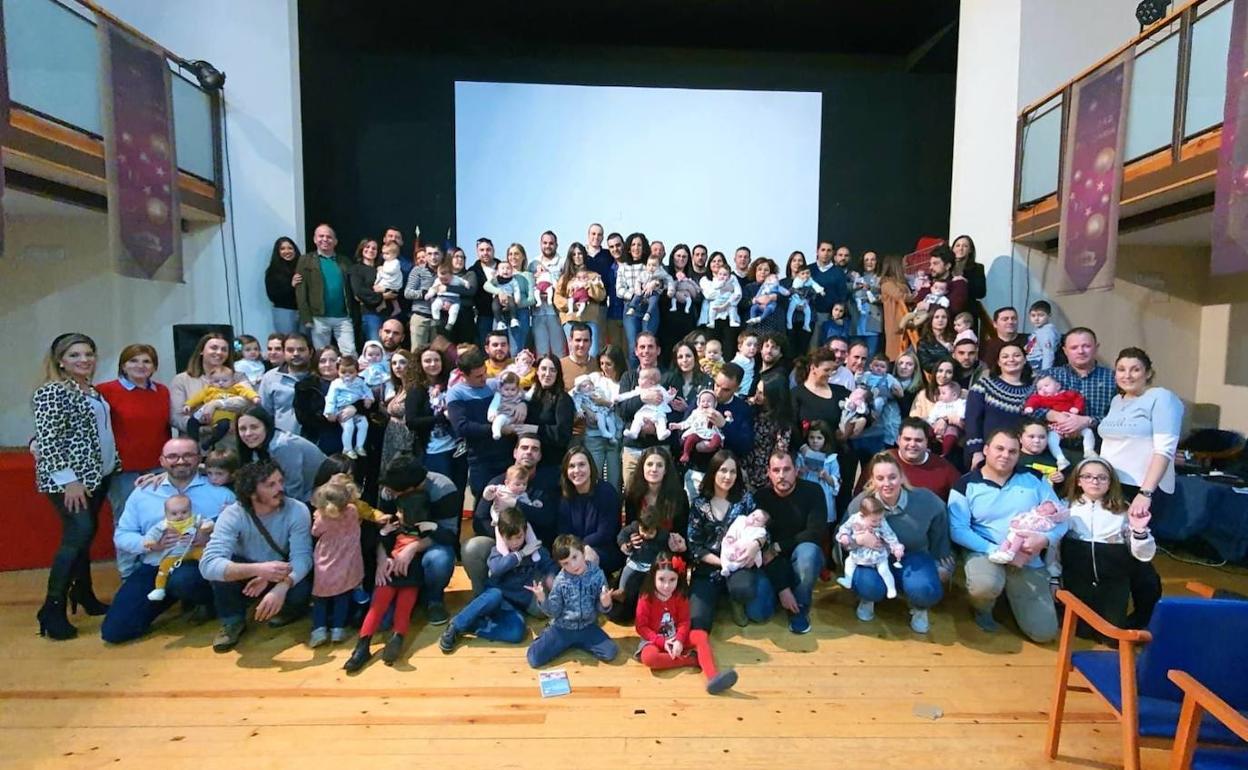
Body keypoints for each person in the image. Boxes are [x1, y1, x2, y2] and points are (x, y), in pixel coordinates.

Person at [101, 438, 236, 643]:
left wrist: (210, 537)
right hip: (155, 565)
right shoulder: (143, 492)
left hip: (197, 563)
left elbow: (242, 534)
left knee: (183, 580)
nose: (180, 461)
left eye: (188, 455)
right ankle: (170, 598)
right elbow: (122, 535)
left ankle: (208, 602)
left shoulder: (220, 492)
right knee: (115, 631)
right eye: (173, 456)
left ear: (199, 458)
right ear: (162, 461)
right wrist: (150, 544)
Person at [32, 333, 120, 640]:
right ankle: (52, 607)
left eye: (88, 354)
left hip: (96, 476)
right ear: (60, 361)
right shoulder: (52, 391)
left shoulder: (90, 390)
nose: (84, 360)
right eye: (74, 355)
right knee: (78, 534)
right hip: (70, 481)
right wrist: (69, 481)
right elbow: (48, 439)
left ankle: (84, 593)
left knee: (85, 536)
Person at [949, 428, 1065, 642]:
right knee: (984, 586)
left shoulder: (1034, 478)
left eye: (1012, 451)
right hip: (986, 552)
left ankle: (1011, 598)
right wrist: (997, 551)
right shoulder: (965, 484)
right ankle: (983, 607)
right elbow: (958, 530)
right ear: (986, 450)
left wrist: (1044, 539)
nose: (1005, 455)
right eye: (999, 449)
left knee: (1044, 633)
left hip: (1027, 556)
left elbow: (1060, 517)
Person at [200, 460, 314, 652]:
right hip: (249, 567)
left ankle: (288, 609)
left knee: (301, 589)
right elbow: (208, 564)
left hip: (281, 569)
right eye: (271, 485)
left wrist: (282, 586)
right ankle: (232, 620)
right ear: (252, 493)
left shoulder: (297, 509)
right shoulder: (232, 514)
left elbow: (303, 557)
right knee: (222, 572)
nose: (280, 488)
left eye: (280, 481)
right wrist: (258, 570)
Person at [844, 452, 951, 632]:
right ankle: (867, 599)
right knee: (868, 586)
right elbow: (842, 537)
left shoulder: (925, 499)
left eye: (892, 477)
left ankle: (919, 607)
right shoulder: (861, 503)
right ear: (872, 481)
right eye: (880, 478)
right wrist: (858, 540)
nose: (887, 483)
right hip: (871, 558)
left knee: (925, 589)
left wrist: (941, 558)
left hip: (912, 555)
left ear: (901, 477)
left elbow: (940, 527)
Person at [1059, 458, 1159, 637]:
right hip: (1079, 574)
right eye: (1088, 476)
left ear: (1110, 482)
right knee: (1081, 631)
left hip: (1112, 577)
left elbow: (1143, 554)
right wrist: (1053, 577)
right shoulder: (1064, 506)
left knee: (1112, 637)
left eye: (1102, 478)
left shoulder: (1124, 510)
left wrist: (1139, 530)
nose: (1095, 481)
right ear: (1078, 481)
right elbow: (1055, 546)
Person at [439, 507, 557, 652]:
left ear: (525, 532)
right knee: (494, 594)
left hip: (518, 603)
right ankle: (456, 625)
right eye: (509, 539)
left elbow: (550, 565)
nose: (515, 543)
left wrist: (551, 577)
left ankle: (473, 625)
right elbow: (496, 569)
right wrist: (519, 555)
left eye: (519, 537)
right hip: (497, 597)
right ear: (501, 536)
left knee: (517, 632)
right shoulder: (498, 551)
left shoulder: (534, 549)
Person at [686, 451, 773, 629]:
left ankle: (735, 598)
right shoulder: (699, 505)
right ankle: (720, 594)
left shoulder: (745, 500)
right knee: (697, 621)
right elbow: (694, 546)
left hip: (739, 565)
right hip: (709, 567)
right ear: (713, 472)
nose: (728, 476)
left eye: (733, 472)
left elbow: (765, 533)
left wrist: (756, 544)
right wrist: (724, 562)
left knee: (749, 599)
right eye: (723, 470)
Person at [1098, 347, 1184, 525]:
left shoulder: (1161, 397)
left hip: (1141, 487)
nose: (1127, 375)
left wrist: (1145, 493)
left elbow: (1165, 450)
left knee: (1138, 538)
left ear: (1148, 373)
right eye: (1121, 369)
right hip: (1111, 484)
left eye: (1135, 369)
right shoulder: (1116, 401)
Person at [462, 436, 555, 595]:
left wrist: (516, 505)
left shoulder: (547, 483)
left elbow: (549, 519)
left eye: (534, 449)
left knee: (539, 604)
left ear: (540, 456)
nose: (529, 452)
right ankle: (483, 595)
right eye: (524, 448)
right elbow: (479, 520)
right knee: (472, 547)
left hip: (532, 548)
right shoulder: (498, 483)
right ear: (515, 453)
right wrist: (508, 538)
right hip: (501, 544)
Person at [635, 553, 738, 694]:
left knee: (700, 635)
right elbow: (641, 627)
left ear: (679, 579)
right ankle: (692, 660)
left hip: (677, 635)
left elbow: (684, 621)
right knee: (648, 658)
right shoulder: (646, 598)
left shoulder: (680, 595)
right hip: (654, 640)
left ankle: (713, 677)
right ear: (653, 577)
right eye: (661, 579)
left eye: (672, 580)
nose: (666, 585)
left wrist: (679, 639)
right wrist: (662, 642)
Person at [753, 449, 826, 634]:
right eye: (776, 470)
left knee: (808, 554)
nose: (781, 475)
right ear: (768, 473)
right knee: (758, 613)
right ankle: (785, 593)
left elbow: (816, 532)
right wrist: (782, 588)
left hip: (801, 554)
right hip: (772, 563)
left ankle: (800, 607)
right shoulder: (760, 497)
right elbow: (763, 550)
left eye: (786, 469)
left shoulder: (814, 491)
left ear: (796, 470)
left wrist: (779, 546)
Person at [97, 344, 172, 523]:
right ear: (123, 366)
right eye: (133, 361)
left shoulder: (162, 391)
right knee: (127, 519)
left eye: (147, 361)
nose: (140, 365)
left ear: (154, 367)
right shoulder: (105, 390)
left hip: (158, 467)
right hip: (123, 470)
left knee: (160, 518)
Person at [525, 534, 617, 668]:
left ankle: (577, 642)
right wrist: (542, 599)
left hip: (587, 626)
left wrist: (605, 603)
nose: (573, 565)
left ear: (583, 552)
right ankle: (550, 636)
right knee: (534, 658)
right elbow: (554, 611)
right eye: (565, 563)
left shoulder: (597, 575)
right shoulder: (560, 581)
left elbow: (601, 606)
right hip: (563, 628)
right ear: (560, 564)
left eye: (575, 557)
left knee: (610, 652)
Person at [447, 347, 523, 500]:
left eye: (484, 372)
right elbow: (462, 427)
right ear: (463, 375)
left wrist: (521, 405)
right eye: (478, 376)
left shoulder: (494, 385)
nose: (484, 378)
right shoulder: (456, 393)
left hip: (507, 455)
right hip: (481, 460)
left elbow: (517, 395)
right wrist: (497, 430)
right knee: (483, 502)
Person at [1036, 327, 1117, 464]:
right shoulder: (1048, 375)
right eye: (1074, 347)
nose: (1080, 351)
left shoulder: (1113, 378)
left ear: (1096, 348)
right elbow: (1026, 407)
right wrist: (1054, 416)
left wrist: (1089, 420)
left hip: (1098, 453)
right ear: (1065, 351)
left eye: (1086, 346)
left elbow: (1120, 417)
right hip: (1052, 452)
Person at [235, 406, 327, 504]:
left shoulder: (282, 446)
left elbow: (293, 490)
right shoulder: (256, 447)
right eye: (242, 429)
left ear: (266, 426)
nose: (248, 433)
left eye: (254, 427)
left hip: (320, 494)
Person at [965, 341, 1035, 470]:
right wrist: (976, 452)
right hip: (987, 454)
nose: (1011, 359)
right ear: (998, 362)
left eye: (1016, 355)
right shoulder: (984, 385)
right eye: (1005, 356)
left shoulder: (1034, 390)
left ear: (1025, 360)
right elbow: (972, 420)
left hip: (1022, 457)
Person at [556, 447, 623, 576]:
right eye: (571, 466)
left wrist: (580, 548)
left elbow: (605, 533)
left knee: (587, 558)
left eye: (581, 464)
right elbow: (563, 531)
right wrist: (574, 550)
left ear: (591, 467)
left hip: (604, 550)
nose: (577, 470)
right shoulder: (566, 496)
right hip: (573, 550)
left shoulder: (606, 492)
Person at [296, 223, 357, 356]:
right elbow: (300, 290)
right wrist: (306, 317)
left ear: (335, 241)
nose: (325, 239)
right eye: (321, 236)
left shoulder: (345, 261)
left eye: (329, 237)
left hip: (343, 317)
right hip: (318, 317)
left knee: (350, 353)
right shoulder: (305, 260)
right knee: (322, 355)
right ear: (314, 239)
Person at [169, 332, 246, 436]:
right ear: (201, 351)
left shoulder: (238, 377)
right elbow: (176, 417)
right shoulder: (181, 380)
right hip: (195, 441)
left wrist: (217, 404)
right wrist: (205, 429)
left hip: (229, 440)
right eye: (214, 348)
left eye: (224, 349)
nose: (219, 352)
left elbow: (247, 401)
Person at [143, 494, 213, 602]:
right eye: (174, 514)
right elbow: (152, 534)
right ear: (166, 514)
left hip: (194, 549)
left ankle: (213, 579)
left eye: (184, 512)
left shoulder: (195, 519)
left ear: (190, 510)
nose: (180, 516)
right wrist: (151, 542)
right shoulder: (164, 525)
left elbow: (208, 522)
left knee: (207, 558)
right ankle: (159, 589)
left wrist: (207, 527)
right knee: (163, 568)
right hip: (174, 554)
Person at [1024, 374, 1096, 470]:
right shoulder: (1041, 398)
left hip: (1075, 422)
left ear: (1058, 386)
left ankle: (1089, 450)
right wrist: (1029, 407)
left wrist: (1076, 408)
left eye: (1046, 386)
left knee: (1088, 432)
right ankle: (1061, 459)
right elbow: (1032, 400)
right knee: (1051, 439)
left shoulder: (1066, 394)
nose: (1043, 389)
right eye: (1040, 389)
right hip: (1056, 426)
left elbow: (1078, 398)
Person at [526, 354, 575, 492]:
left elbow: (563, 435)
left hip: (552, 464)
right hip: (528, 463)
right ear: (537, 371)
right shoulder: (530, 396)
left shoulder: (563, 399)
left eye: (552, 370)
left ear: (558, 374)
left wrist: (535, 429)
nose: (547, 374)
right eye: (543, 369)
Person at [883, 419, 962, 501]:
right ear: (898, 440)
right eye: (907, 439)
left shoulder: (944, 468)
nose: (912, 444)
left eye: (918, 440)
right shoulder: (883, 461)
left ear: (926, 442)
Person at [182, 365, 260, 449]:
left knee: (224, 426)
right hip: (205, 413)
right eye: (216, 381)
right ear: (211, 382)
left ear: (232, 381)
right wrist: (188, 405)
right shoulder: (209, 389)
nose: (220, 383)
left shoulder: (235, 388)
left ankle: (209, 442)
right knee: (192, 422)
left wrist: (254, 397)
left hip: (224, 416)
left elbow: (247, 392)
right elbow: (197, 397)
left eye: (225, 380)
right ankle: (194, 443)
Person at [293, 346, 346, 454]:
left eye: (332, 360)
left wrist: (355, 408)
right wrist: (327, 416)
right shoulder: (305, 387)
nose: (328, 364)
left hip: (350, 440)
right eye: (322, 361)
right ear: (316, 363)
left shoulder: (354, 382)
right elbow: (302, 417)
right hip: (320, 440)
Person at [258, 333, 311, 435]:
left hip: (317, 441)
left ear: (310, 352)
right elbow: (264, 414)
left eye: (301, 350)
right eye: (290, 350)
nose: (296, 353)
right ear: (284, 352)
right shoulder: (270, 378)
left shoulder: (319, 376)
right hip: (283, 440)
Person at [529, 230, 567, 357]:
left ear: (556, 245)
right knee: (541, 352)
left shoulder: (562, 262)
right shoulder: (533, 263)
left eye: (551, 243)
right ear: (540, 244)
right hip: (538, 313)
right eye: (545, 243)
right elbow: (529, 285)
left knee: (559, 352)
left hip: (555, 313)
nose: (548, 246)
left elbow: (567, 285)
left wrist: (554, 291)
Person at [809, 241, 849, 348]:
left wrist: (837, 315)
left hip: (829, 317)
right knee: (811, 348)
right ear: (817, 251)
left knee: (828, 348)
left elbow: (842, 296)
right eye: (823, 250)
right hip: (809, 315)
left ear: (833, 253)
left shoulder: (838, 272)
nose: (825, 253)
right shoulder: (809, 270)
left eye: (829, 250)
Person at [346, 238, 385, 345]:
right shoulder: (355, 269)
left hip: (387, 313)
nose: (371, 250)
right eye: (367, 247)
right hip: (369, 313)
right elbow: (359, 292)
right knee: (375, 345)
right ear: (361, 249)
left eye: (374, 248)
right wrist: (383, 296)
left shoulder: (383, 269)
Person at [913, 244, 968, 317]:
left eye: (935, 264)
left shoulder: (958, 284)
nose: (930, 267)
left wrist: (929, 306)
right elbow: (917, 303)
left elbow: (954, 309)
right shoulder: (928, 281)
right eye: (930, 264)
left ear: (947, 266)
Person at [265, 236, 303, 334]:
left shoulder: (302, 267)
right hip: (284, 311)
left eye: (290, 248)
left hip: (304, 311)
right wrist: (291, 285)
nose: (287, 251)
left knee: (305, 340)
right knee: (288, 340)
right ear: (277, 252)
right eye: (282, 249)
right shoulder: (273, 271)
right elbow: (272, 296)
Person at [878, 253, 913, 359]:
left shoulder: (902, 282)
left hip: (907, 321)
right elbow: (900, 297)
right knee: (896, 353)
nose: (906, 265)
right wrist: (917, 296)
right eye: (903, 263)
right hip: (896, 323)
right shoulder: (887, 284)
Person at [848, 251, 884, 356]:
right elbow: (845, 290)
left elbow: (884, 296)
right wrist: (854, 286)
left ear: (877, 262)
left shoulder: (881, 278)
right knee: (855, 352)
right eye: (866, 260)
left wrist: (871, 289)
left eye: (873, 259)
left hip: (873, 320)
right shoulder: (855, 277)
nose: (869, 262)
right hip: (857, 320)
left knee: (871, 354)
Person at [915, 307, 956, 375]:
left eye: (944, 317)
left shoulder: (955, 338)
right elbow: (926, 365)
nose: (940, 320)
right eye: (936, 317)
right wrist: (946, 367)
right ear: (931, 320)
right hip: (938, 376)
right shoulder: (923, 343)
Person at [1025, 300, 1060, 371]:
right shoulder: (1039, 330)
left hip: (1039, 363)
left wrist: (1045, 372)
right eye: (1033, 315)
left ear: (1049, 315)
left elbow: (1048, 353)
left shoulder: (1047, 332)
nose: (1036, 319)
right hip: (1032, 361)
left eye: (1041, 315)